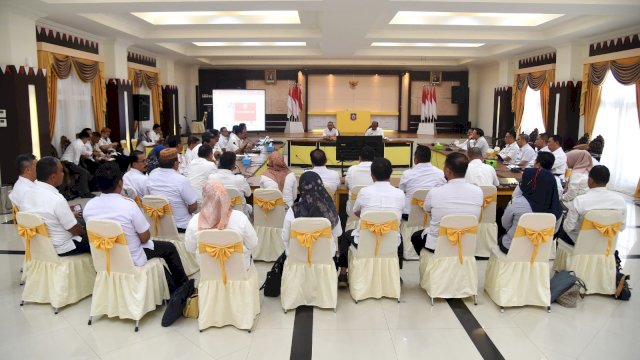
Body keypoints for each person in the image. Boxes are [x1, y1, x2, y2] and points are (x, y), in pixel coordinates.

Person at [83, 162, 188, 289]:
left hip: (105, 256)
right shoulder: (128, 205)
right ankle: (183, 285)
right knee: (169, 248)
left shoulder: (89, 206)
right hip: (131, 256)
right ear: (120, 183)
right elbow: (145, 237)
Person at [337, 157, 404, 286]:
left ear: (372, 176)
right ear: (390, 174)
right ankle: (396, 274)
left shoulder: (364, 192)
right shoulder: (399, 193)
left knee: (346, 236)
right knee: (399, 237)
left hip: (365, 240)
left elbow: (355, 211)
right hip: (390, 240)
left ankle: (343, 274)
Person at [411, 152, 483, 254]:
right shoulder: (478, 191)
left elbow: (426, 210)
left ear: (448, 170)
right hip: (466, 242)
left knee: (416, 237)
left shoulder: (435, 192)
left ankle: (430, 263)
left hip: (438, 244)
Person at [21, 157, 89, 256]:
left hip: (39, 244)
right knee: (97, 238)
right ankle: (100, 269)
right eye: (61, 171)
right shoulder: (57, 199)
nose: (63, 174)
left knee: (81, 221)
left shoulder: (26, 194)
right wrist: (85, 233)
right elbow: (74, 229)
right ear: (52, 177)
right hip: (62, 248)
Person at [184, 180, 258, 270]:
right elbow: (253, 243)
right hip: (239, 271)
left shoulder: (194, 221)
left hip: (209, 272)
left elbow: (190, 248)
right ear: (225, 196)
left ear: (204, 196)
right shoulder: (240, 217)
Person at [499, 164, 563, 253]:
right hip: (540, 250)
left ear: (529, 182)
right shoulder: (557, 208)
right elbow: (554, 232)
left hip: (513, 248)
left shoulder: (517, 202)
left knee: (502, 238)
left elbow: (505, 224)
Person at [559, 165, 627, 246]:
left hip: (580, 243)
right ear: (607, 180)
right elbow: (621, 227)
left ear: (590, 180)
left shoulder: (580, 201)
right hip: (605, 244)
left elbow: (568, 228)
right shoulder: (620, 201)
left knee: (561, 228)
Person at [281, 171, 342, 256]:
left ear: (300, 189)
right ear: (321, 186)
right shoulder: (329, 210)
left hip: (298, 257)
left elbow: (285, 237)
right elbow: (338, 233)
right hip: (324, 257)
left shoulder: (293, 211)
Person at [147, 148, 198, 232]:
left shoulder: (152, 175)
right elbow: (194, 205)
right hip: (181, 226)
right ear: (175, 163)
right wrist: (187, 211)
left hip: (159, 224)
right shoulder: (181, 180)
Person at [398, 145, 446, 217]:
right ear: (430, 158)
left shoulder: (407, 174)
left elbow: (401, 193)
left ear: (415, 159)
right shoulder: (440, 173)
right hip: (430, 214)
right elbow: (442, 192)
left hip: (408, 215)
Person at [209, 151, 252, 216]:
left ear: (219, 163)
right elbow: (248, 194)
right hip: (239, 216)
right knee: (249, 207)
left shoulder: (211, 178)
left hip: (218, 216)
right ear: (233, 165)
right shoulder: (240, 179)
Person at [60, 131, 94, 198]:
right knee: (84, 172)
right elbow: (76, 159)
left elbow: (84, 152)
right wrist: (77, 169)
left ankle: (79, 189)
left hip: (69, 162)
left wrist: (92, 153)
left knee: (86, 172)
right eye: (87, 139)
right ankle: (85, 193)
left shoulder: (78, 143)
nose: (87, 141)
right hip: (67, 163)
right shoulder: (78, 144)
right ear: (85, 138)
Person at [345, 146, 375, 214]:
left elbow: (346, 186)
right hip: (372, 211)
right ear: (374, 158)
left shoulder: (351, 169)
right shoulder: (376, 170)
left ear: (359, 157)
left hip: (353, 212)